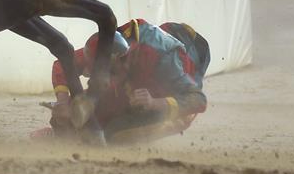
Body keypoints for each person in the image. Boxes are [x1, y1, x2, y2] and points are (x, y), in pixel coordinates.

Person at [46, 19, 209, 144]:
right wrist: (63, 102)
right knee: (74, 118)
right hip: (142, 70)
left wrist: (155, 103)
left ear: (123, 61)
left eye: (109, 74)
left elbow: (198, 100)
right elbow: (62, 65)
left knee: (115, 135)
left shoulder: (163, 61)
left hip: (189, 60)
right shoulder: (106, 48)